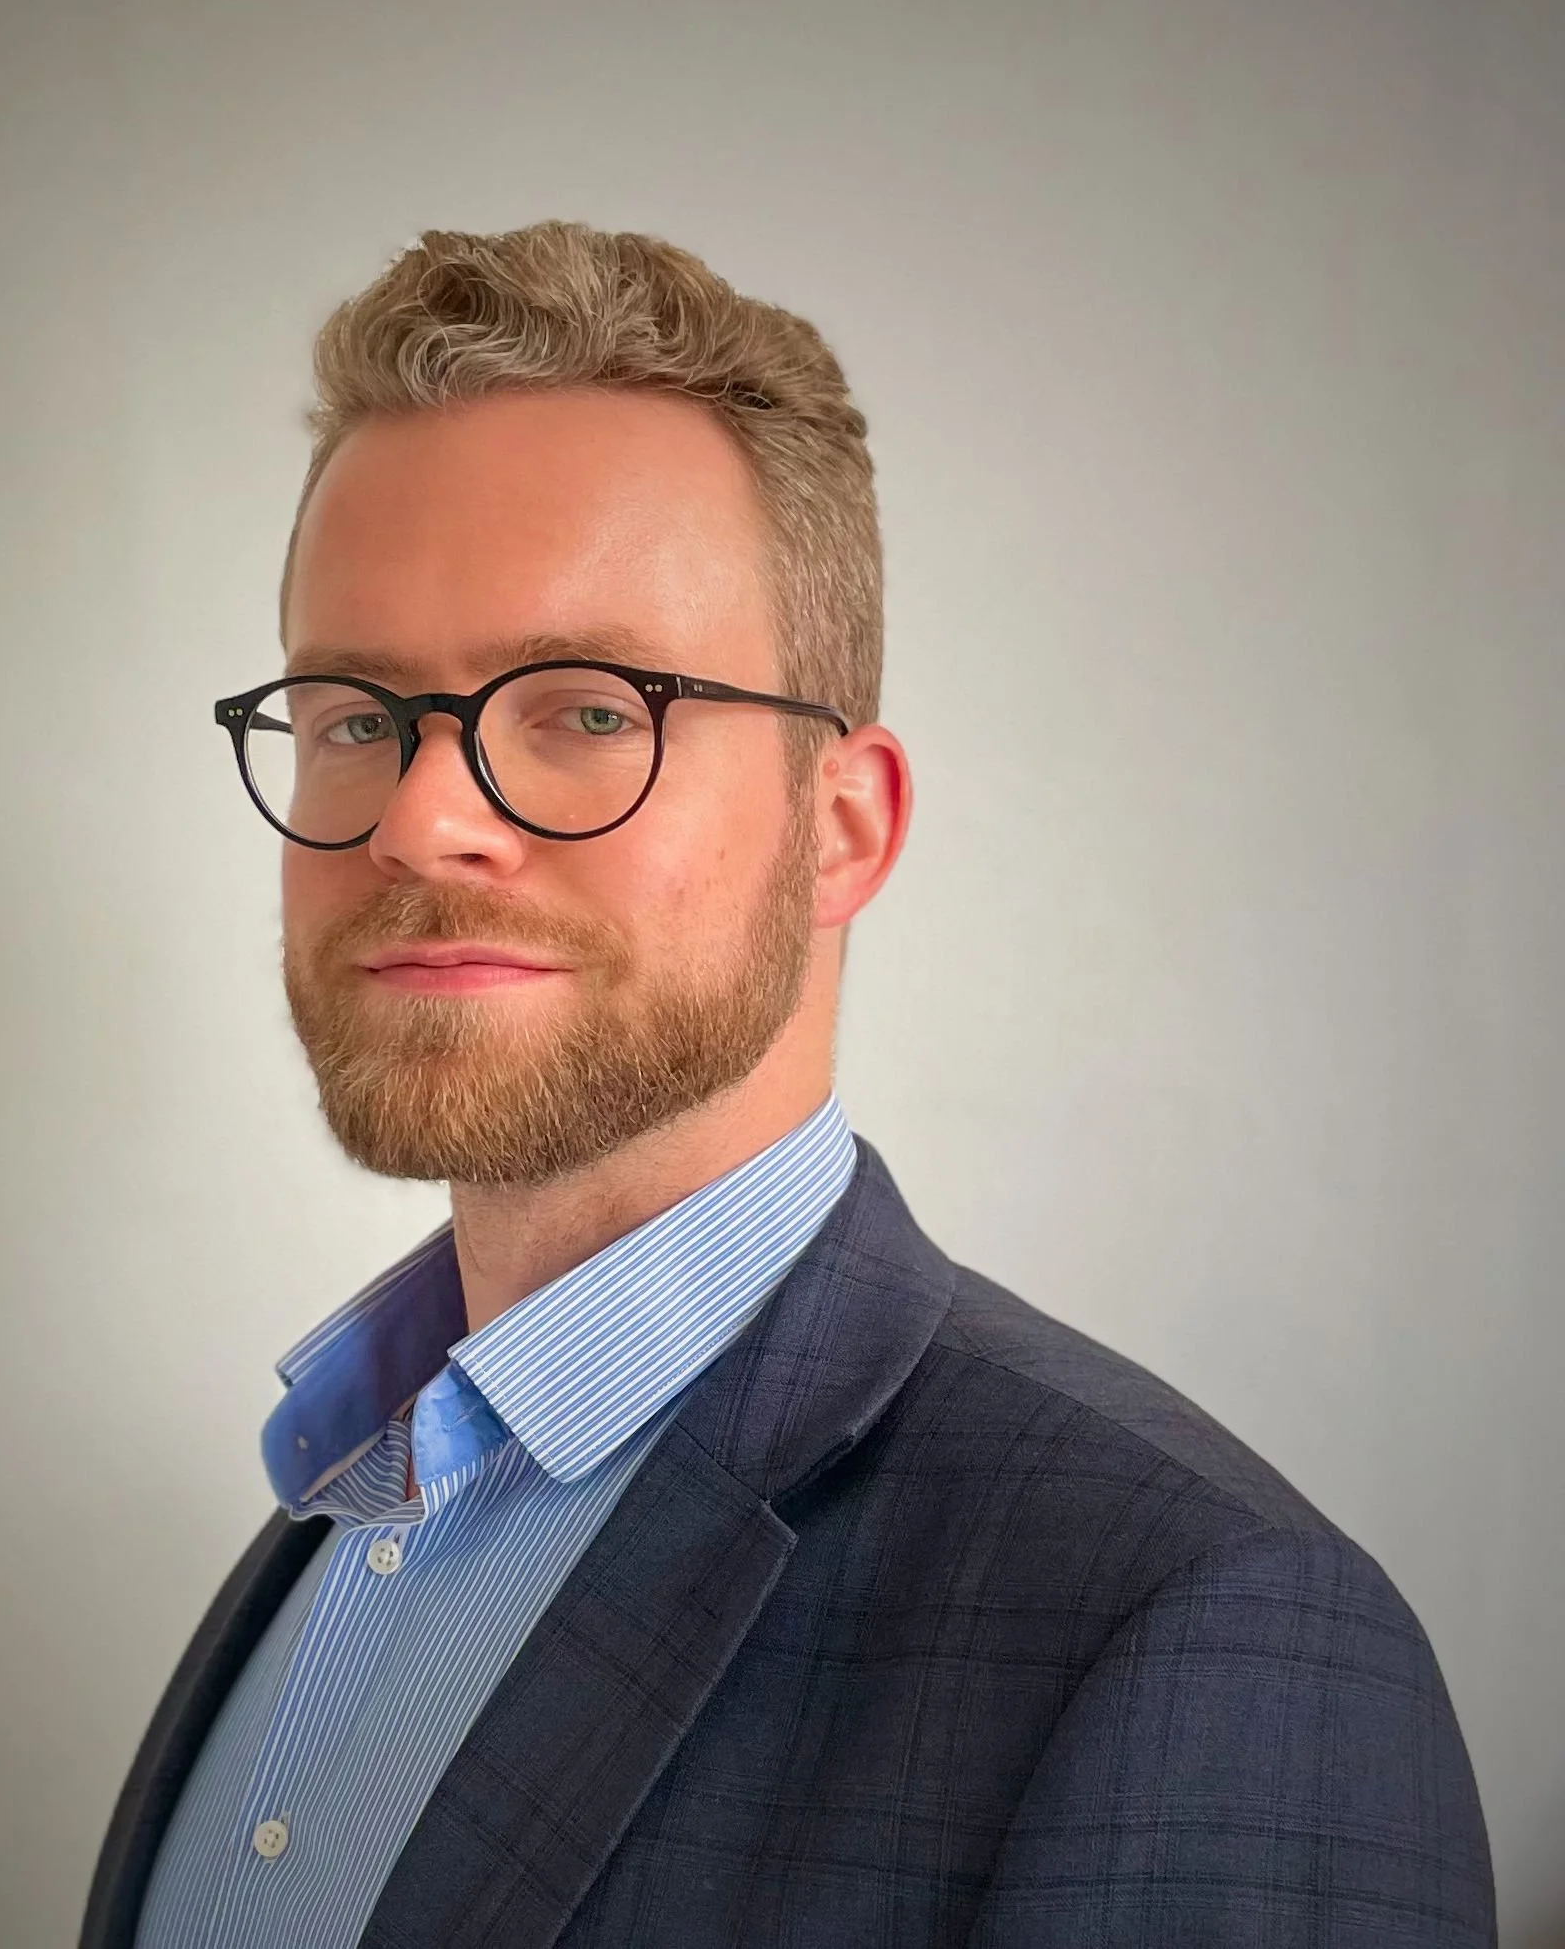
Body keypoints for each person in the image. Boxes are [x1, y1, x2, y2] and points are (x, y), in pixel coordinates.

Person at [81, 222, 1493, 1949]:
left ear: (846, 828)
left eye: (588, 711)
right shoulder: (341, 1507)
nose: (417, 819)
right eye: (355, 713)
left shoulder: (1203, 1632)